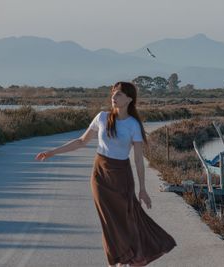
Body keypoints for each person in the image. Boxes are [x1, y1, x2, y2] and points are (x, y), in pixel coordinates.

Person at [35, 81, 176, 267]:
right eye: (113, 93)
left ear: (129, 99)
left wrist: (142, 189)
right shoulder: (101, 117)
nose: (114, 97)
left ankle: (133, 257)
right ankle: (116, 261)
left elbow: (138, 160)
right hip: (100, 176)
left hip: (122, 177)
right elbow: (81, 141)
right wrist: (52, 152)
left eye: (118, 94)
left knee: (128, 219)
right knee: (109, 221)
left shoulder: (133, 125)